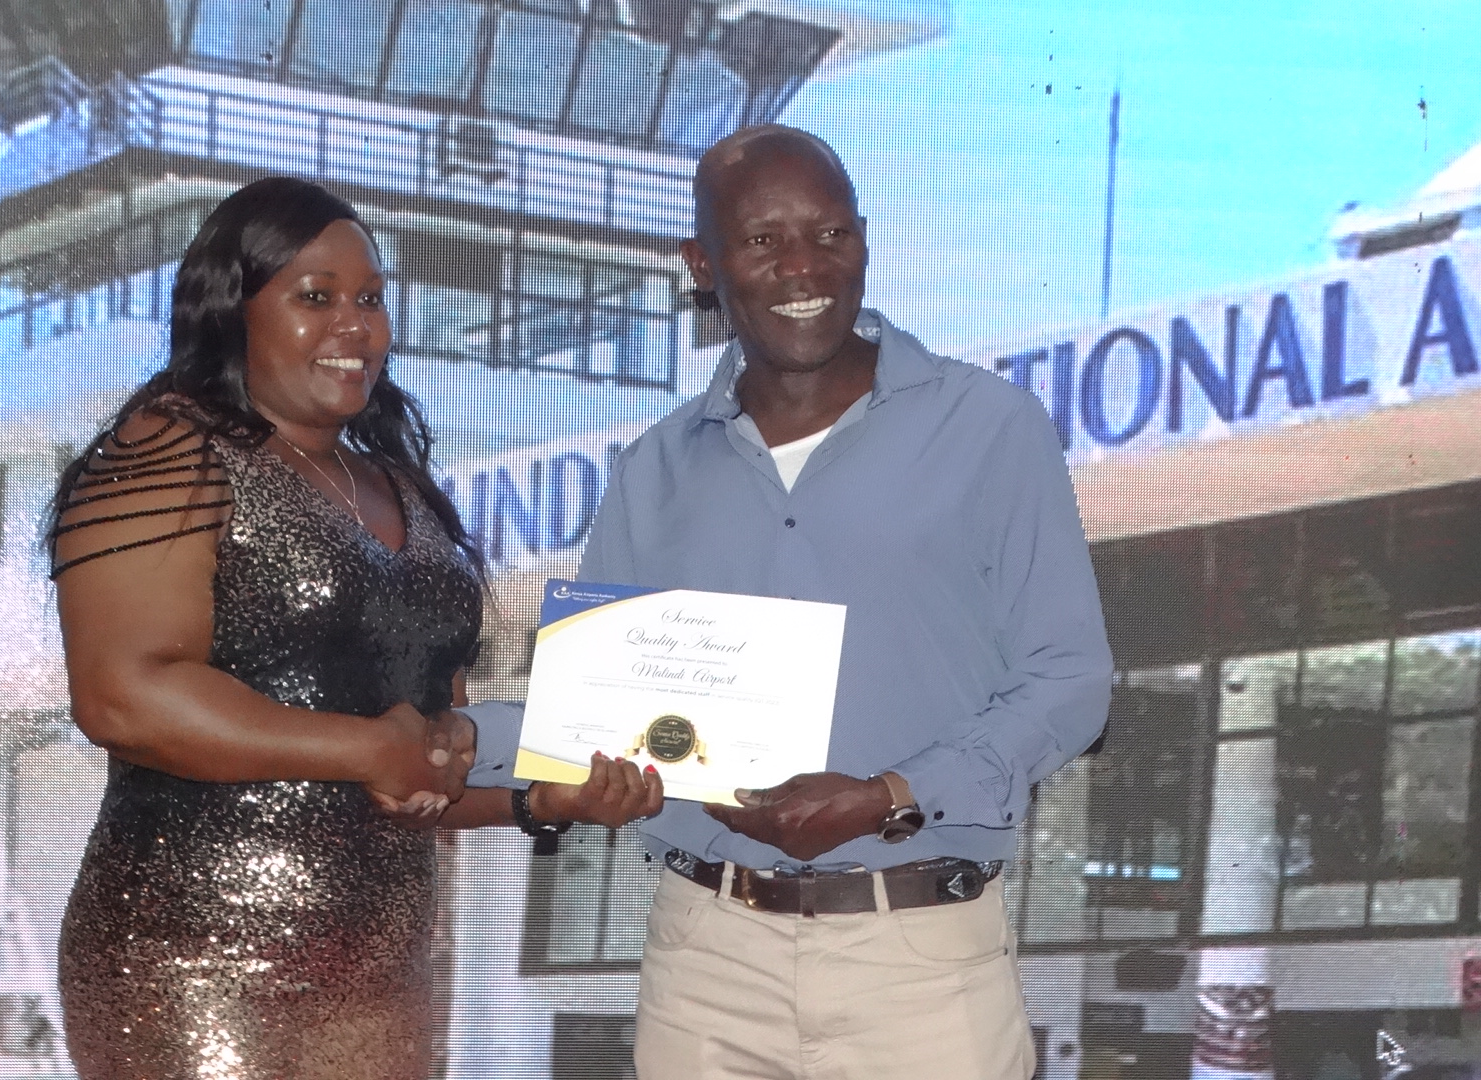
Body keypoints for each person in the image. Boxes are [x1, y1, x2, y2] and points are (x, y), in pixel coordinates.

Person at [465, 125, 1113, 1079]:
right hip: (707, 961)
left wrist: (888, 797)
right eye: (763, 240)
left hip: (921, 964)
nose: (804, 266)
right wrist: (448, 741)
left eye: (831, 234)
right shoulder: (655, 469)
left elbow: (1071, 682)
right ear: (703, 263)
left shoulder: (990, 428)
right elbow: (585, 714)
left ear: (864, 242)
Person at [47, 176, 660, 1080]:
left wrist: (545, 798)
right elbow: (122, 696)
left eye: (370, 299)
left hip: (385, 962)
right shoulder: (166, 450)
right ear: (233, 309)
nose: (355, 325)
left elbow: (423, 770)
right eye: (315, 297)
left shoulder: (404, 490)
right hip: (194, 963)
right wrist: (368, 750)